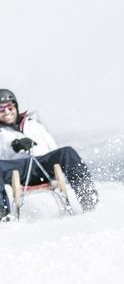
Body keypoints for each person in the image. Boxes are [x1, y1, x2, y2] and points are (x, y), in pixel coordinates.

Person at [0, 89, 99, 221]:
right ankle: (2, 213)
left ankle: (87, 196)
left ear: (16, 107)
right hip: (17, 168)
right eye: (1, 110)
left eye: (10, 107)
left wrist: (35, 145)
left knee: (67, 152)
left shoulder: (33, 124)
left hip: (43, 164)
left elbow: (52, 148)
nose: (7, 112)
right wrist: (14, 146)